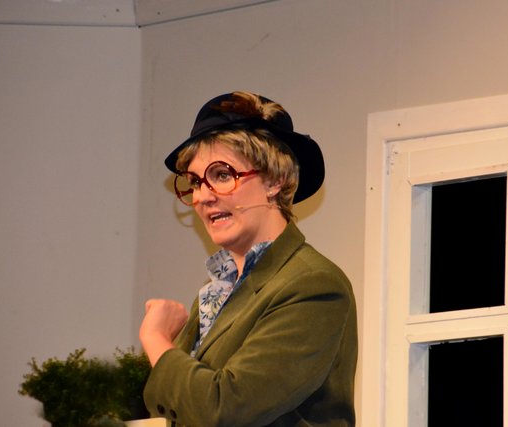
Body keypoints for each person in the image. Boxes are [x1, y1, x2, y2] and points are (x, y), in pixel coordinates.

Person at [139, 91, 357, 427]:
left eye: (222, 175)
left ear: (275, 180)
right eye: (195, 182)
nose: (203, 197)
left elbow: (227, 409)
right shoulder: (214, 294)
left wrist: (156, 339)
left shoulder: (313, 283)